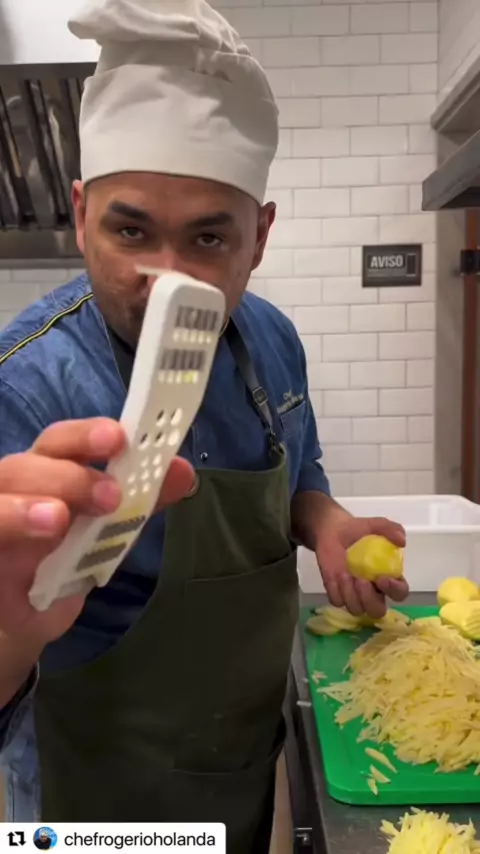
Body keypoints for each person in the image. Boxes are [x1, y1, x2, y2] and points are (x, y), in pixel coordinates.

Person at [0, 0, 408, 849]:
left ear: (259, 237)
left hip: (238, 768)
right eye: (130, 230)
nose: (167, 278)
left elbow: (299, 473)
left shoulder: (272, 338)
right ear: (79, 213)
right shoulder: (25, 385)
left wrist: (327, 523)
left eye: (208, 239)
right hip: (95, 797)